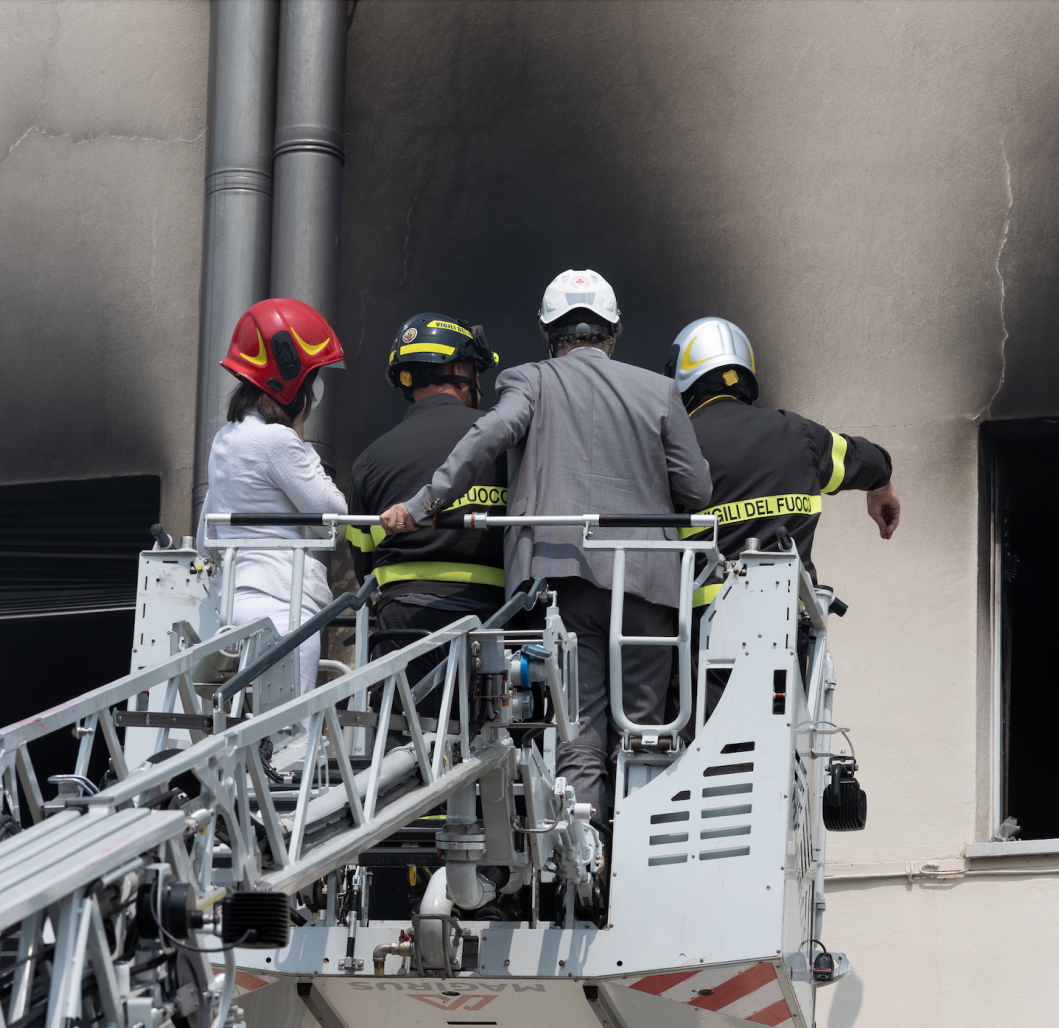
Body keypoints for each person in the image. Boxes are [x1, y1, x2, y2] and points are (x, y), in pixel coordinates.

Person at [379, 270, 712, 820]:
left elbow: (488, 436)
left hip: (562, 582)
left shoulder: (529, 380)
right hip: (648, 585)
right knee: (645, 735)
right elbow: (697, 491)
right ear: (614, 331)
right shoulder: (659, 391)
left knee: (578, 736)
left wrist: (421, 505)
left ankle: (587, 859)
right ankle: (637, 855)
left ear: (546, 331)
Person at [664, 315, 899, 598]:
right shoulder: (799, 432)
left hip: (701, 618)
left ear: (679, 377)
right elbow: (868, 461)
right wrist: (882, 489)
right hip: (791, 616)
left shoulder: (675, 443)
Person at [196, 298, 348, 696]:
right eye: (314, 375)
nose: (317, 388)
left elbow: (204, 539)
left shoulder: (225, 440)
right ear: (292, 377)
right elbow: (334, 518)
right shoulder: (278, 441)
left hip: (231, 608)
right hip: (282, 606)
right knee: (289, 730)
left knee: (238, 730)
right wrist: (303, 443)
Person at [348, 314, 506, 689]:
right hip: (495, 623)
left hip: (400, 624)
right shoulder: (503, 446)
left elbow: (362, 559)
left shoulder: (371, 459)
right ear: (459, 369)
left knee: (401, 723)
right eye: (475, 371)